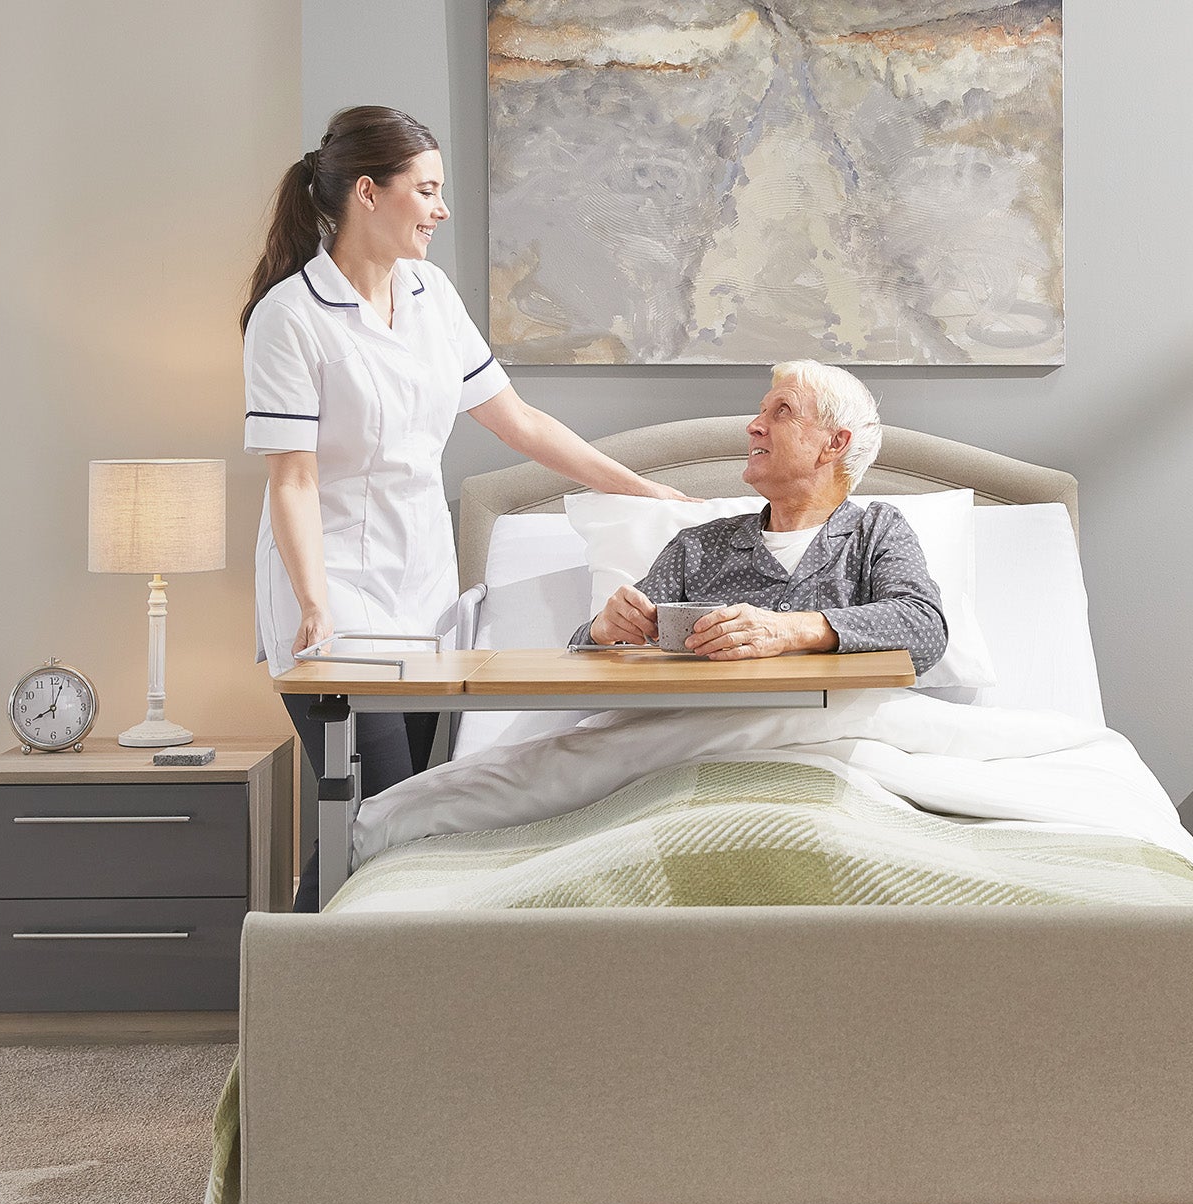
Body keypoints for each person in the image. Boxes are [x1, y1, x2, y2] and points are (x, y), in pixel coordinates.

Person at [245, 105, 690, 904]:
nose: (441, 209)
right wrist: (315, 604)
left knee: (407, 817)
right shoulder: (290, 318)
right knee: (370, 815)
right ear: (369, 194)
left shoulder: (429, 293)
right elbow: (294, 479)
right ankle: (300, 996)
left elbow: (518, 422)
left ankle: (356, 995)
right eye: (428, 190)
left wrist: (641, 487)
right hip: (333, 593)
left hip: (422, 593)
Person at [575, 360, 947, 670]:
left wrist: (790, 630)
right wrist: (601, 630)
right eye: (761, 411)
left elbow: (924, 627)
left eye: (781, 412)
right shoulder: (700, 547)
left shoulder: (876, 532)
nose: (753, 426)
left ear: (834, 444)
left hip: (830, 735)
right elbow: (586, 658)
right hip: (703, 739)